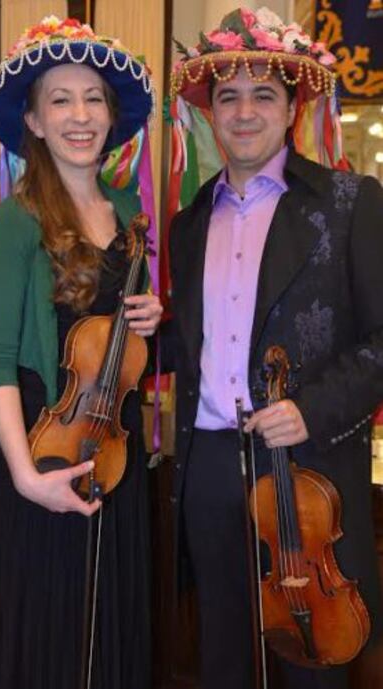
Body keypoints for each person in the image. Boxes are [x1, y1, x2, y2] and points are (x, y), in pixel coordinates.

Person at [164, 5, 383, 689]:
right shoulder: (188, 218)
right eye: (228, 96)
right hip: (208, 466)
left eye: (264, 94)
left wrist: (311, 409)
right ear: (209, 111)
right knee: (223, 652)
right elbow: (193, 342)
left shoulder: (351, 201)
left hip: (307, 472)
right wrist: (146, 327)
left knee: (310, 659)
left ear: (292, 106)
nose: (245, 112)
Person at [0, 16, 162, 689]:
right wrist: (23, 474)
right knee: (51, 625)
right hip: (42, 445)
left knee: (110, 613)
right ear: (34, 117)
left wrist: (149, 315)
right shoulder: (16, 219)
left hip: (115, 445)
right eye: (60, 99)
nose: (80, 115)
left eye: (94, 98)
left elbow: (123, 339)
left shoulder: (126, 206)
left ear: (112, 114)